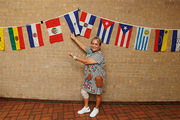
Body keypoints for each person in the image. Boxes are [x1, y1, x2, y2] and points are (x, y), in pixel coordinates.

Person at [67, 33, 106, 117]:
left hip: (97, 78)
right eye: (92, 43)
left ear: (99, 45)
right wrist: (74, 38)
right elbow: (83, 46)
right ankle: (86, 107)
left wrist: (74, 57)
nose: (94, 45)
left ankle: (96, 108)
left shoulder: (99, 55)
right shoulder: (91, 51)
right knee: (83, 91)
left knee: (98, 94)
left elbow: (86, 61)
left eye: (96, 44)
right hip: (89, 77)